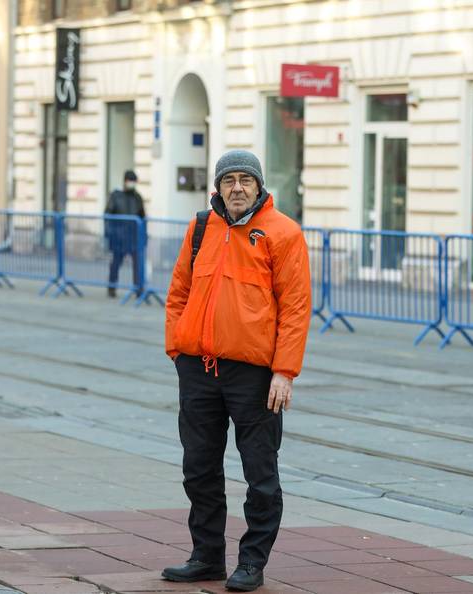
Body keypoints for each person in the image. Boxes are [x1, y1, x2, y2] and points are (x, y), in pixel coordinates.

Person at [162, 150, 312, 592]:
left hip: (256, 377)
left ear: (260, 185)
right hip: (199, 370)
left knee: (260, 474)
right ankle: (206, 556)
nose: (238, 188)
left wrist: (284, 371)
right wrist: (178, 349)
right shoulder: (200, 228)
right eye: (230, 180)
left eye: (246, 180)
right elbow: (177, 293)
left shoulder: (283, 233)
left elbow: (296, 309)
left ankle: (252, 562)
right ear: (218, 187)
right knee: (199, 469)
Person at [104, 169, 145, 298]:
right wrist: (110, 233)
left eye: (134, 181)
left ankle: (138, 289)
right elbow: (108, 214)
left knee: (137, 264)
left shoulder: (137, 197)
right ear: (125, 181)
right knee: (115, 263)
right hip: (118, 237)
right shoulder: (116, 196)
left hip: (134, 237)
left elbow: (142, 217)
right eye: (130, 181)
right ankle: (112, 287)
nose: (132, 183)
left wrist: (144, 236)